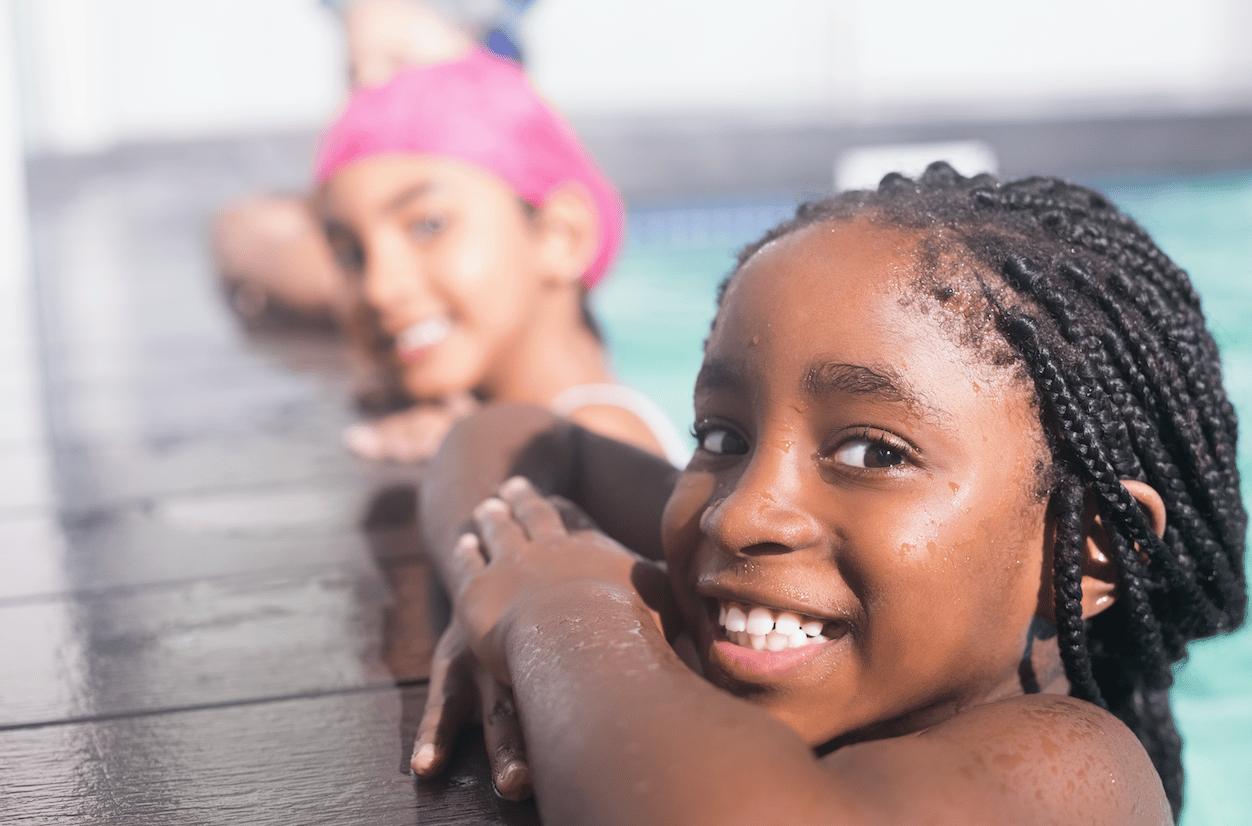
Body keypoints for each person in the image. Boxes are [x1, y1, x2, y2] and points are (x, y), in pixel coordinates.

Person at [409, 164, 1247, 823]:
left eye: (872, 451)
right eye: (720, 436)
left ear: (1089, 548)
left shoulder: (1080, 772)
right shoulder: (765, 567)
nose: (740, 512)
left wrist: (560, 616)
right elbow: (513, 438)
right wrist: (494, 569)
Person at [313, 48, 688, 464]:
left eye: (428, 226)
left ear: (560, 234)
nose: (378, 288)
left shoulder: (592, 439)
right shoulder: (527, 433)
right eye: (349, 255)